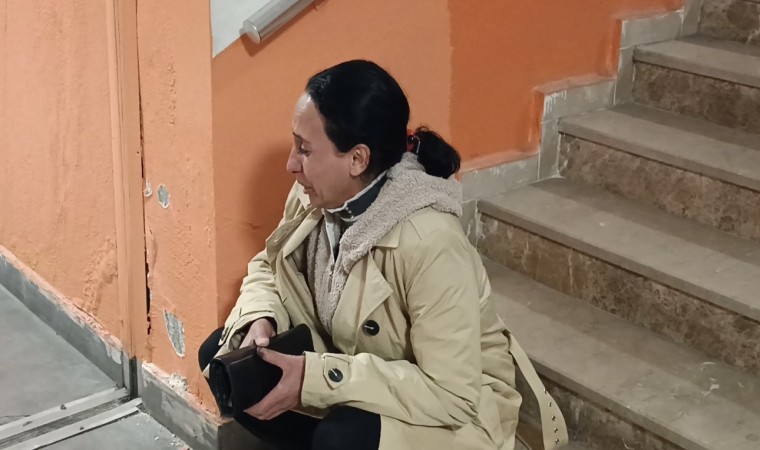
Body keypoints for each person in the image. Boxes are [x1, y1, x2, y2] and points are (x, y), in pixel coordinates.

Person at [198, 60, 523, 450]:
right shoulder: (313, 195)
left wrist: (315, 378)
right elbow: (270, 266)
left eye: (305, 149)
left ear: (357, 159)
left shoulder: (431, 241)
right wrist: (260, 318)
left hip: (455, 410)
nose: (290, 163)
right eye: (294, 143)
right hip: (361, 367)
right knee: (226, 359)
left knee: (343, 437)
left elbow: (452, 393)